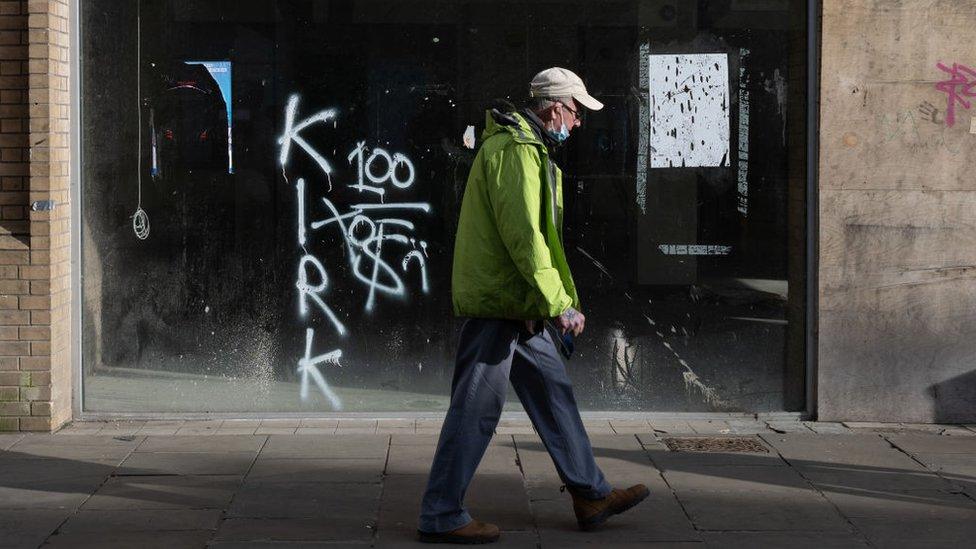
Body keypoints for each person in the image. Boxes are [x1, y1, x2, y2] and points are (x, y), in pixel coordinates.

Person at [416, 68, 649, 544]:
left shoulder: (529, 147)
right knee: (475, 411)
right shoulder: (516, 151)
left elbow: (538, 238)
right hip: (501, 302)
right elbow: (524, 236)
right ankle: (440, 514)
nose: (579, 121)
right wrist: (560, 303)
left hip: (519, 301)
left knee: (552, 392)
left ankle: (590, 493)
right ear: (555, 107)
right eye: (576, 110)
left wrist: (552, 301)